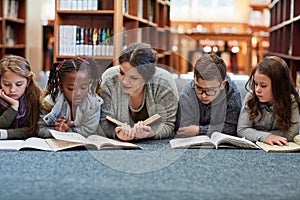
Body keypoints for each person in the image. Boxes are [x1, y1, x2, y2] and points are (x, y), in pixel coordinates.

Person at [99, 42, 178, 141]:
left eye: (133, 78)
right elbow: (103, 122)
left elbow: (169, 124)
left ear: (147, 78)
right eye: (122, 72)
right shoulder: (110, 79)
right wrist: (116, 133)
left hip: (152, 147)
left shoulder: (164, 82)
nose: (124, 81)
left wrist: (150, 133)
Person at [237, 56, 300, 145]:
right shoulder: (251, 97)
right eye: (256, 84)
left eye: (263, 86)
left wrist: (257, 133)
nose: (257, 90)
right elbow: (242, 130)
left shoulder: (291, 101)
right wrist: (266, 137)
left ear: (279, 86)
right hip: (253, 149)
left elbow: (291, 134)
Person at [176, 54, 242, 137]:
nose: (203, 95)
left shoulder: (233, 95)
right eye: (199, 88)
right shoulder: (188, 92)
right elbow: (182, 127)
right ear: (194, 79)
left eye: (210, 90)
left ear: (223, 85)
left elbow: (232, 127)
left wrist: (200, 130)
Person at [38, 58, 103, 138]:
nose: (78, 93)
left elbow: (89, 130)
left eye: (83, 87)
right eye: (71, 88)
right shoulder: (49, 102)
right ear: (61, 86)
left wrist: (67, 131)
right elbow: (40, 129)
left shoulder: (94, 103)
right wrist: (56, 131)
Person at [0, 55, 42, 139]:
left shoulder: (35, 97)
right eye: (6, 84)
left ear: (28, 82)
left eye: (19, 84)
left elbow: (33, 129)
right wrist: (14, 107)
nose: (12, 90)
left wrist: (5, 134)